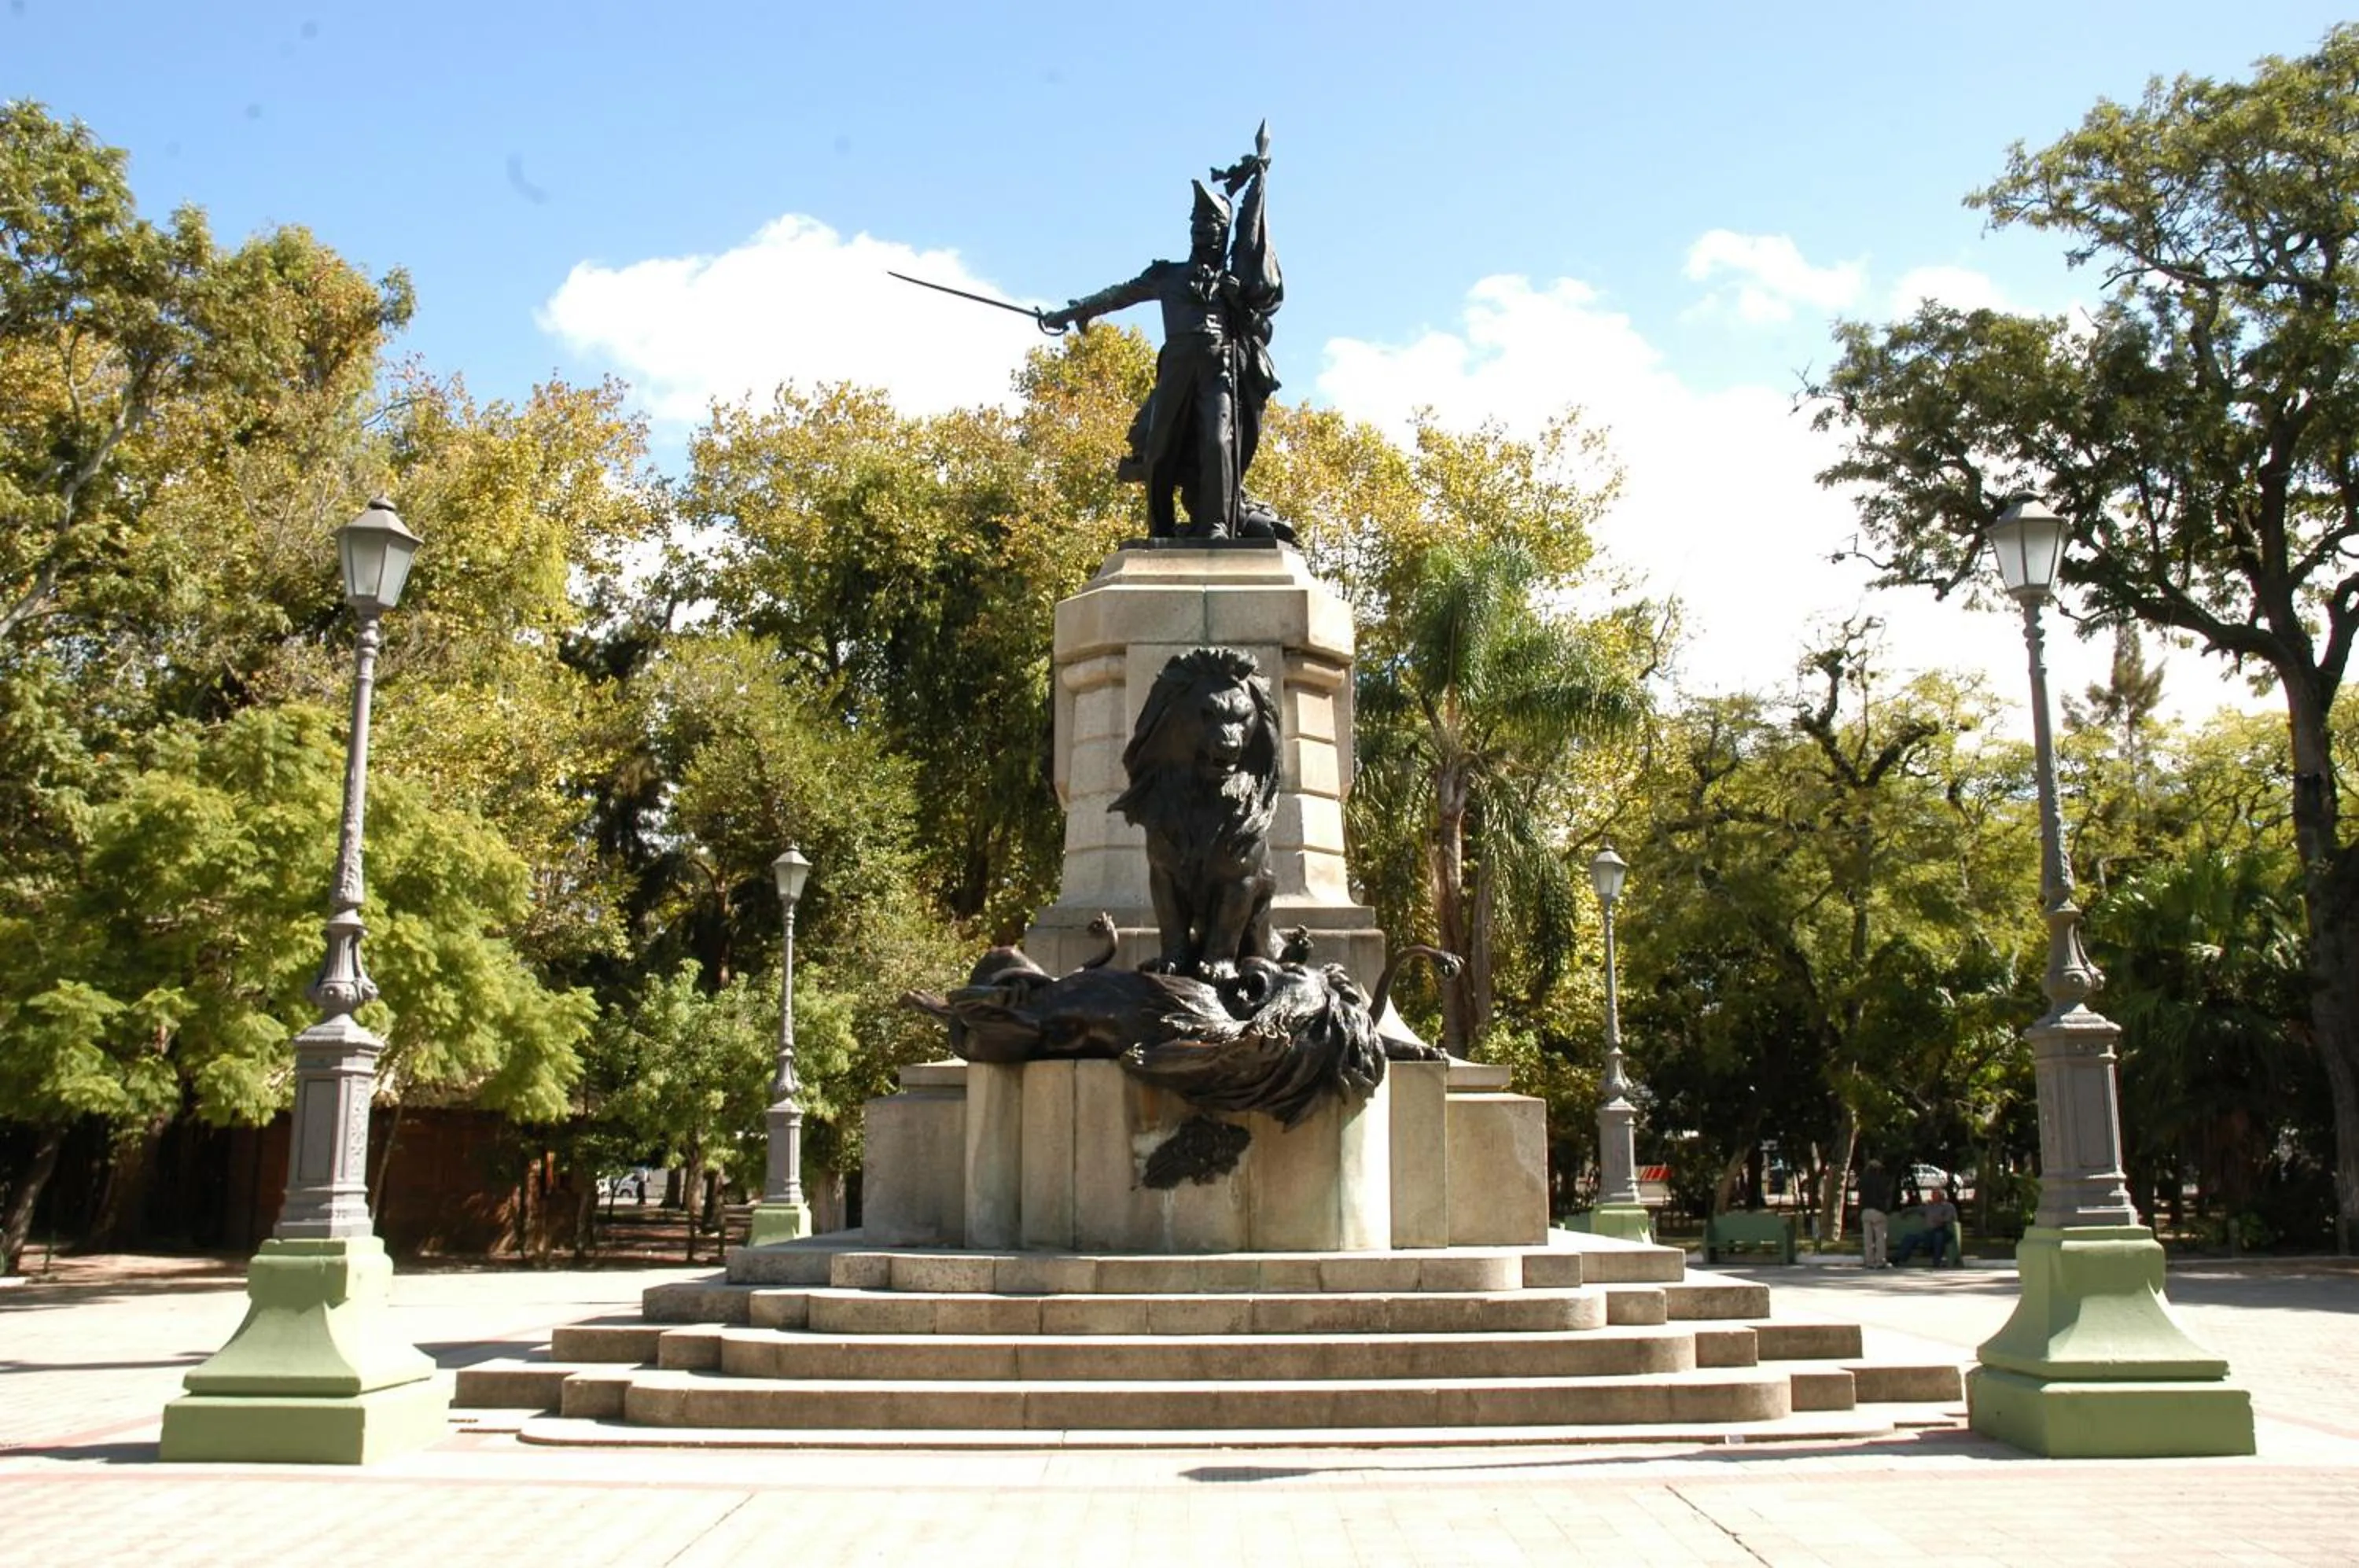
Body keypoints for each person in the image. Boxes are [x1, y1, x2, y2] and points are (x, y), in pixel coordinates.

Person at [1042, 134, 1284, 540]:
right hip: (1176, 366)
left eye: (1209, 224)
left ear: (1224, 232)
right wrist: (1073, 311)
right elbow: (1120, 294)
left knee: (1217, 442)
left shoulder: (1232, 284)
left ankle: (1216, 525)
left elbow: (1261, 328)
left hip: (1219, 368)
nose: (1200, 230)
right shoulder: (1167, 275)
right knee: (1160, 448)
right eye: (1196, 223)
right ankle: (1161, 526)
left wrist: (1235, 301)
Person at [1893, 1186, 1959, 1265]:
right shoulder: (1929, 1207)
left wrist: (1942, 1220)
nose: (1933, 1196)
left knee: (1938, 1236)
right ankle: (1898, 1259)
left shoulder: (1948, 1206)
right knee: (1910, 1237)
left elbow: (1951, 1217)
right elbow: (1917, 1209)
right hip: (1929, 1232)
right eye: (1933, 1194)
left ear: (1942, 1196)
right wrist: (1906, 1211)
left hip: (1943, 1231)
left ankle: (1936, 1262)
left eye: (1936, 1194)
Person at [1858, 1158, 1893, 1269]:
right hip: (1878, 1210)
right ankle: (1880, 1261)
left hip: (1865, 1211)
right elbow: (1885, 1194)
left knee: (1867, 1238)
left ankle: (1869, 1261)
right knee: (1880, 1238)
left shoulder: (1863, 1180)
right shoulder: (1880, 1180)